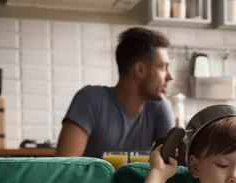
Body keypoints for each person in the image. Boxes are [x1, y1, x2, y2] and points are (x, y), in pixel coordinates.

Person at [55, 27, 175, 158]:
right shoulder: (90, 99)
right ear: (140, 70)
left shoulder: (160, 107)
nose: (170, 76)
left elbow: (170, 167)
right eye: (163, 67)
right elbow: (66, 167)